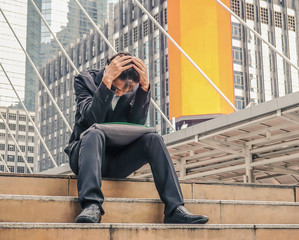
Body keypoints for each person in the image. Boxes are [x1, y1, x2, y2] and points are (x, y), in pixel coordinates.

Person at [64, 52, 209, 224]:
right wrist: (107, 83)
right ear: (108, 71)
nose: (122, 93)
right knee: (95, 132)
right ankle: (91, 206)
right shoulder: (85, 80)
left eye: (129, 90)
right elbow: (92, 119)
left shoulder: (135, 89)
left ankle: (174, 208)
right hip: (84, 156)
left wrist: (144, 89)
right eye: (118, 88)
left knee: (153, 139)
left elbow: (136, 125)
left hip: (117, 161)